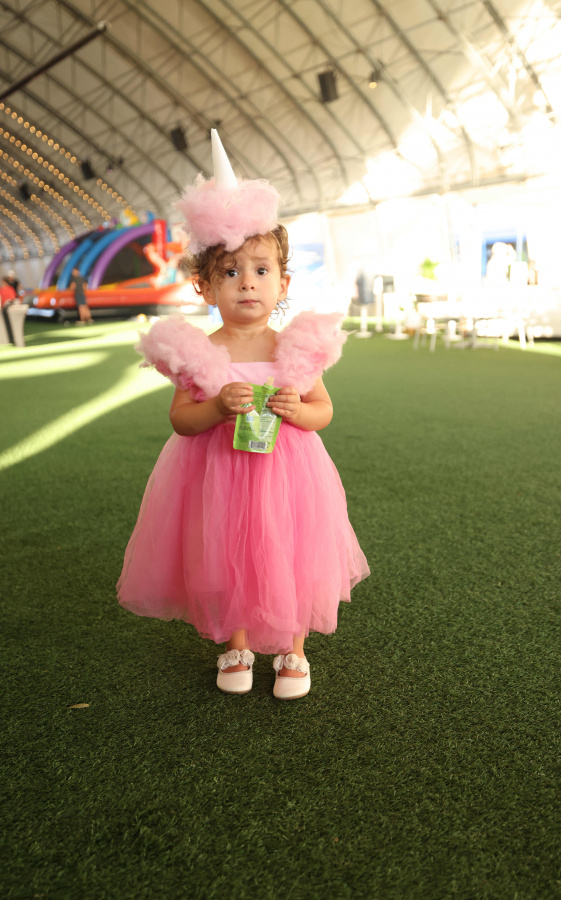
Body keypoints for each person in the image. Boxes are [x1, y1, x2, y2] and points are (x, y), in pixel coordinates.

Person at [117, 130, 369, 700]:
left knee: (291, 555)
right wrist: (214, 406)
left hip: (290, 475)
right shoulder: (198, 353)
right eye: (230, 273)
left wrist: (299, 409)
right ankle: (237, 643)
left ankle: (294, 650)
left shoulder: (295, 348)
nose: (247, 283)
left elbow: (324, 409)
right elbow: (181, 420)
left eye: (260, 270)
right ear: (205, 286)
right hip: (220, 476)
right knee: (226, 556)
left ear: (283, 282)